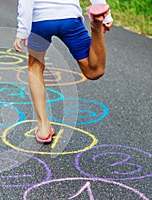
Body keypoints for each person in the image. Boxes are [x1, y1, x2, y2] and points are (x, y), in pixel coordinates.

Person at [13, 0, 113, 143]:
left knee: (35, 66)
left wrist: (23, 31)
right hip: (69, 17)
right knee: (94, 71)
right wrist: (106, 15)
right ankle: (96, 26)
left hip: (40, 20)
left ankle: (43, 127)